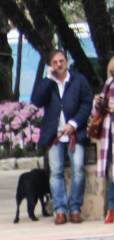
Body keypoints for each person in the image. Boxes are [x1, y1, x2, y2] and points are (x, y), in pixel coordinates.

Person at [31, 49, 94, 224]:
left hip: (75, 133)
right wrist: (47, 79)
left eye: (61, 61)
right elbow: (36, 101)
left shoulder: (78, 80)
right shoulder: (48, 82)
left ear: (66, 61)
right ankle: (60, 210)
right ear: (51, 65)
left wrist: (73, 124)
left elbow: (87, 103)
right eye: (55, 62)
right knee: (56, 172)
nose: (59, 65)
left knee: (79, 169)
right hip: (54, 135)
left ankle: (74, 208)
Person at [93, 57, 114, 224]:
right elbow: (97, 109)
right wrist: (100, 102)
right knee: (113, 174)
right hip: (110, 132)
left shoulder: (109, 83)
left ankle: (111, 211)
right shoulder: (109, 83)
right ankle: (112, 210)